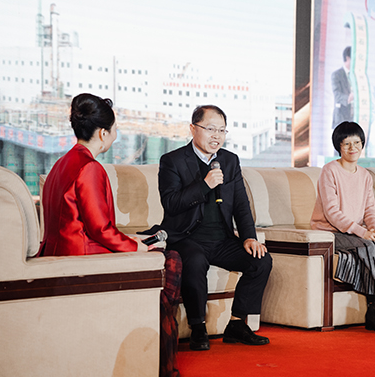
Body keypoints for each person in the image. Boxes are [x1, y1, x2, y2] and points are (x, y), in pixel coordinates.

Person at [40, 93, 183, 377]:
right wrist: (136, 248)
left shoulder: (61, 164)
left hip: (60, 254)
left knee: (156, 254)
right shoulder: (89, 167)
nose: (116, 136)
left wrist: (132, 242)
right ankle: (163, 363)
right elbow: (100, 230)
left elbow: (87, 225)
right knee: (172, 260)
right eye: (115, 130)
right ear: (103, 133)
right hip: (83, 260)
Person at [151, 105, 272, 351]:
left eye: (221, 130)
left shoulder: (229, 160)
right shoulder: (172, 160)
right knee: (194, 261)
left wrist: (249, 237)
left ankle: (236, 324)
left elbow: (241, 204)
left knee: (261, 261)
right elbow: (171, 203)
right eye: (210, 129)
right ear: (193, 128)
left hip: (222, 239)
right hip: (187, 237)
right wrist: (205, 185)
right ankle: (198, 327)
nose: (216, 136)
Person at [310, 121, 375, 334]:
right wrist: (363, 232)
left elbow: (370, 209)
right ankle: (374, 309)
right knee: (370, 247)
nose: (352, 147)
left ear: (362, 144)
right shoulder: (330, 170)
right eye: (346, 143)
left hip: (354, 232)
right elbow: (332, 213)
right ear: (339, 146)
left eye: (357, 143)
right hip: (329, 232)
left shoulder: (364, 175)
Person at [331, 46, 354, 129]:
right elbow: (337, 95)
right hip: (341, 118)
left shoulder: (356, 76)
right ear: (348, 58)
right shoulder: (336, 75)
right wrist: (348, 98)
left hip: (354, 118)